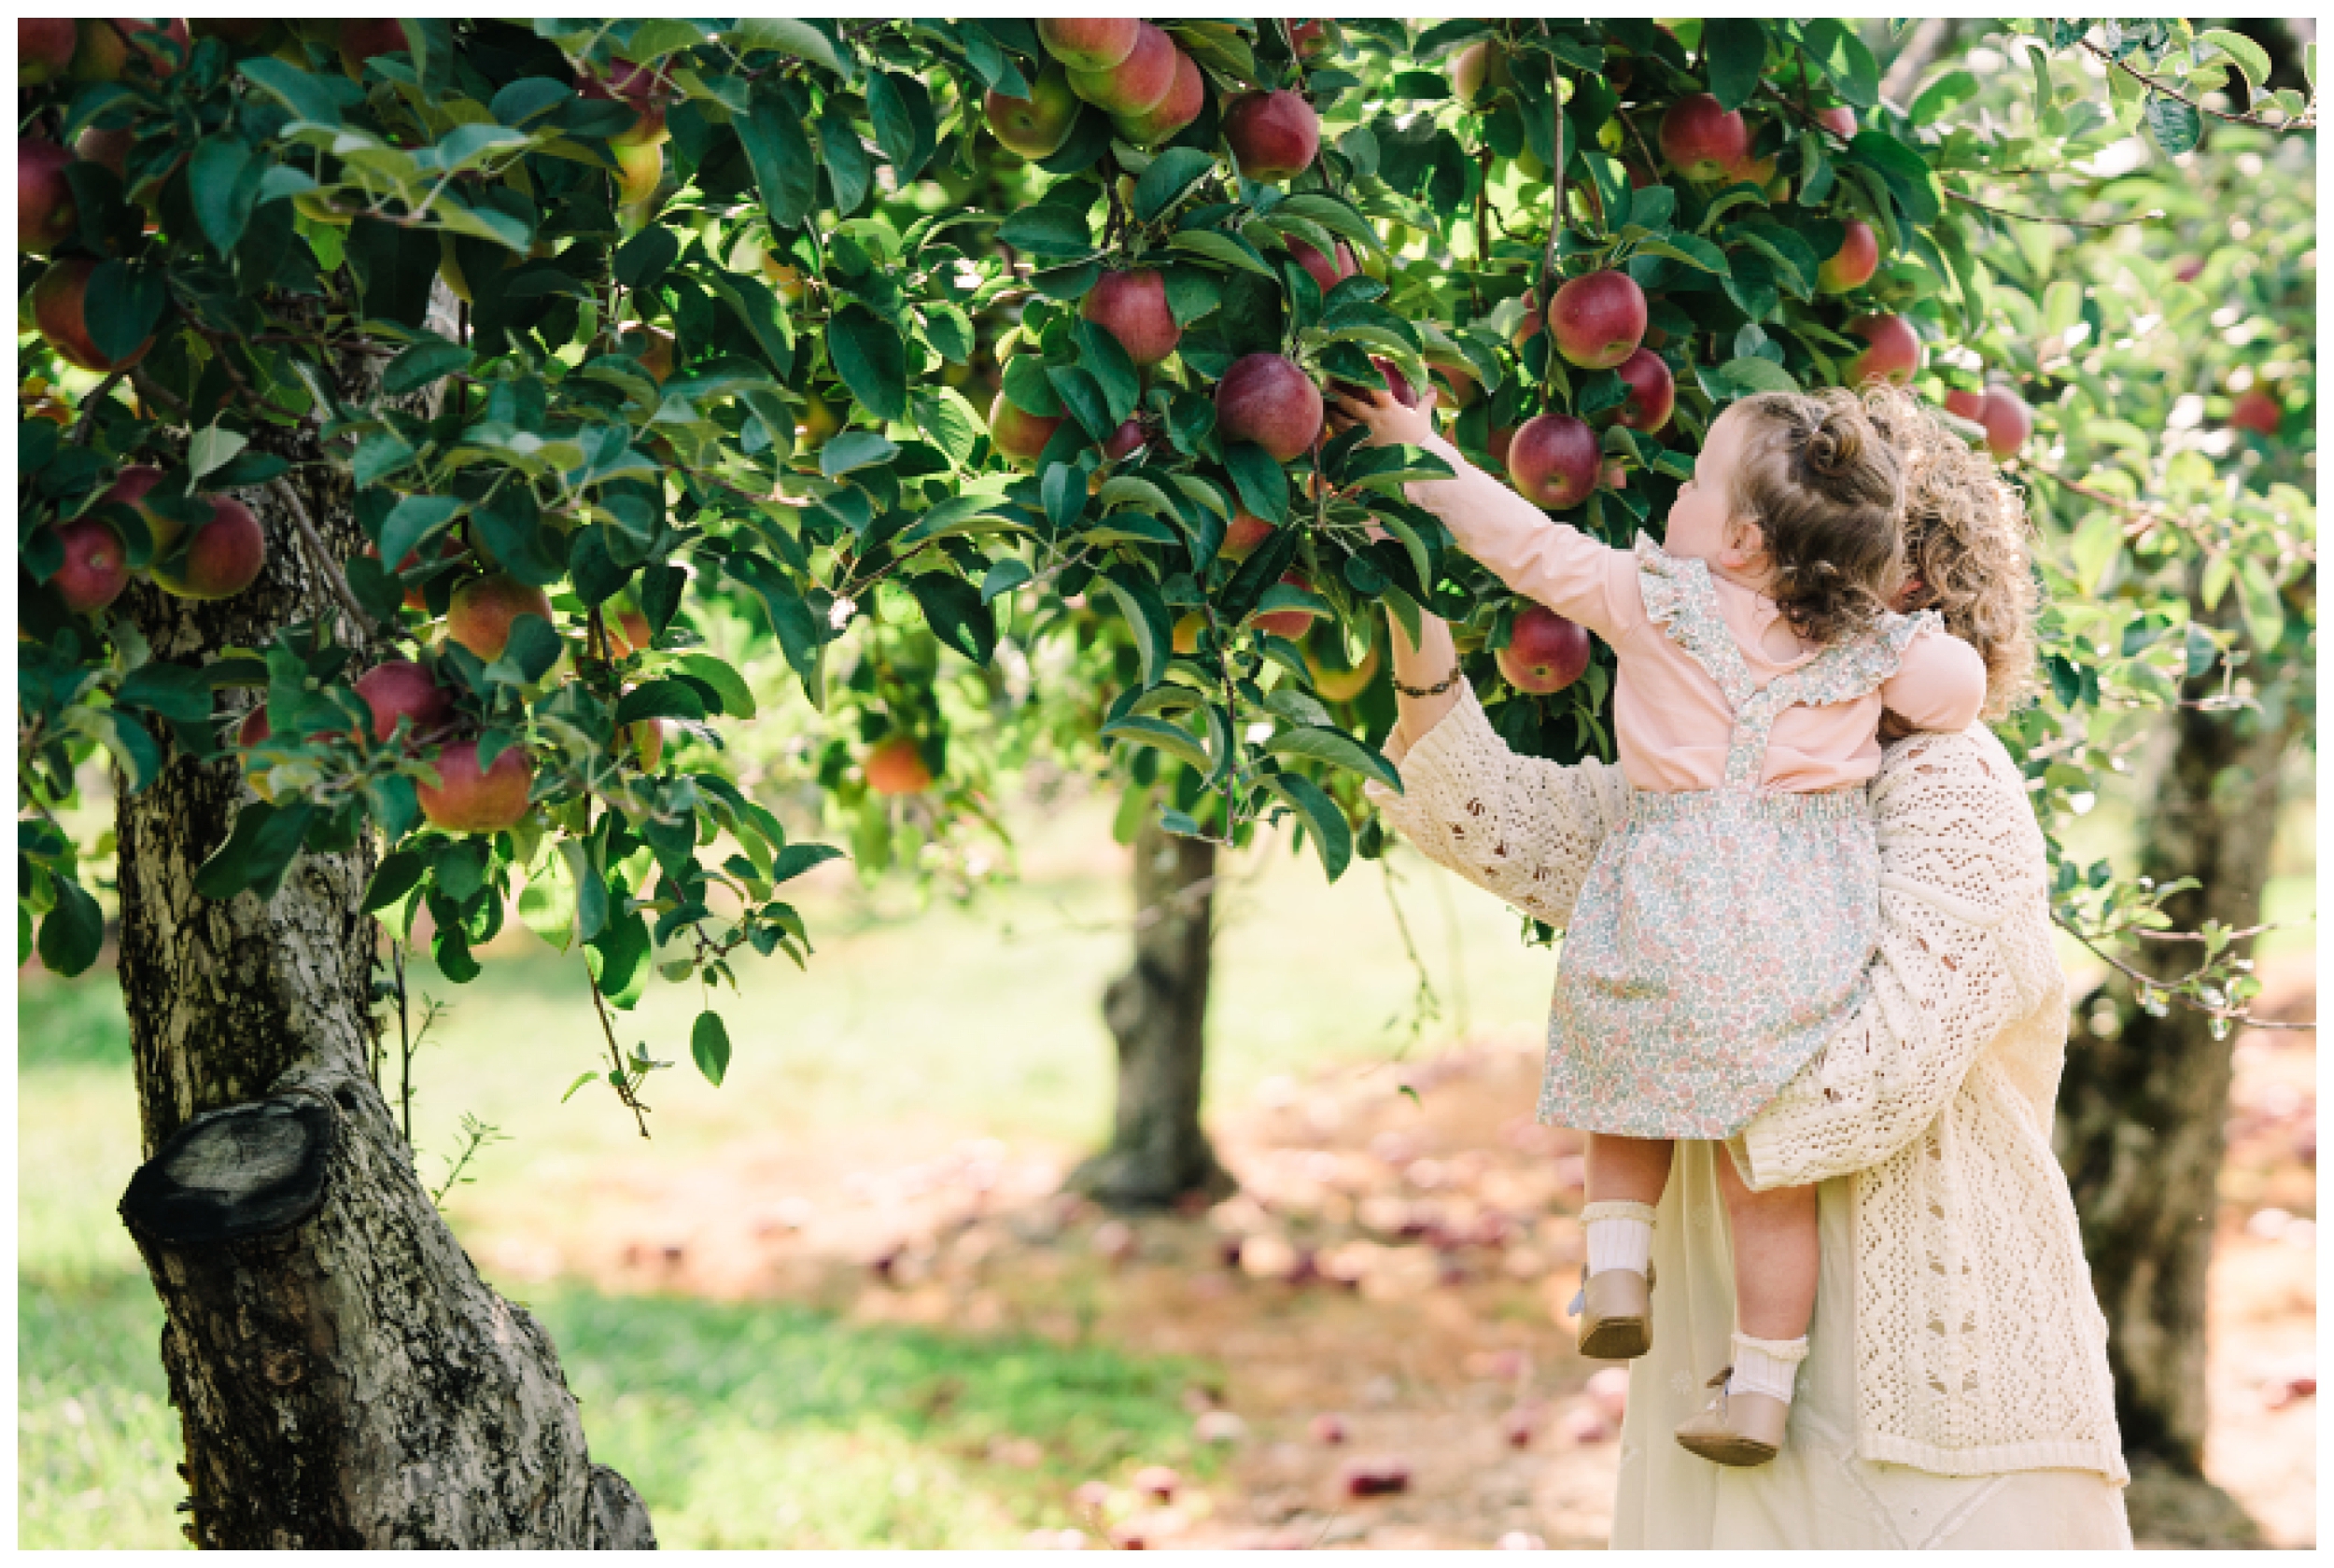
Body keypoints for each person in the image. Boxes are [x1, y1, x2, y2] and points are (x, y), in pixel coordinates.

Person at [1360, 391, 2131, 1547]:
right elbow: (1479, 810)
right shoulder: (1691, 811)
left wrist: (1668, 1050)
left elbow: (1887, 1067)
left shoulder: (1950, 787)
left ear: (1902, 595)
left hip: (1938, 1399)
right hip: (1724, 1400)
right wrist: (1396, 573)